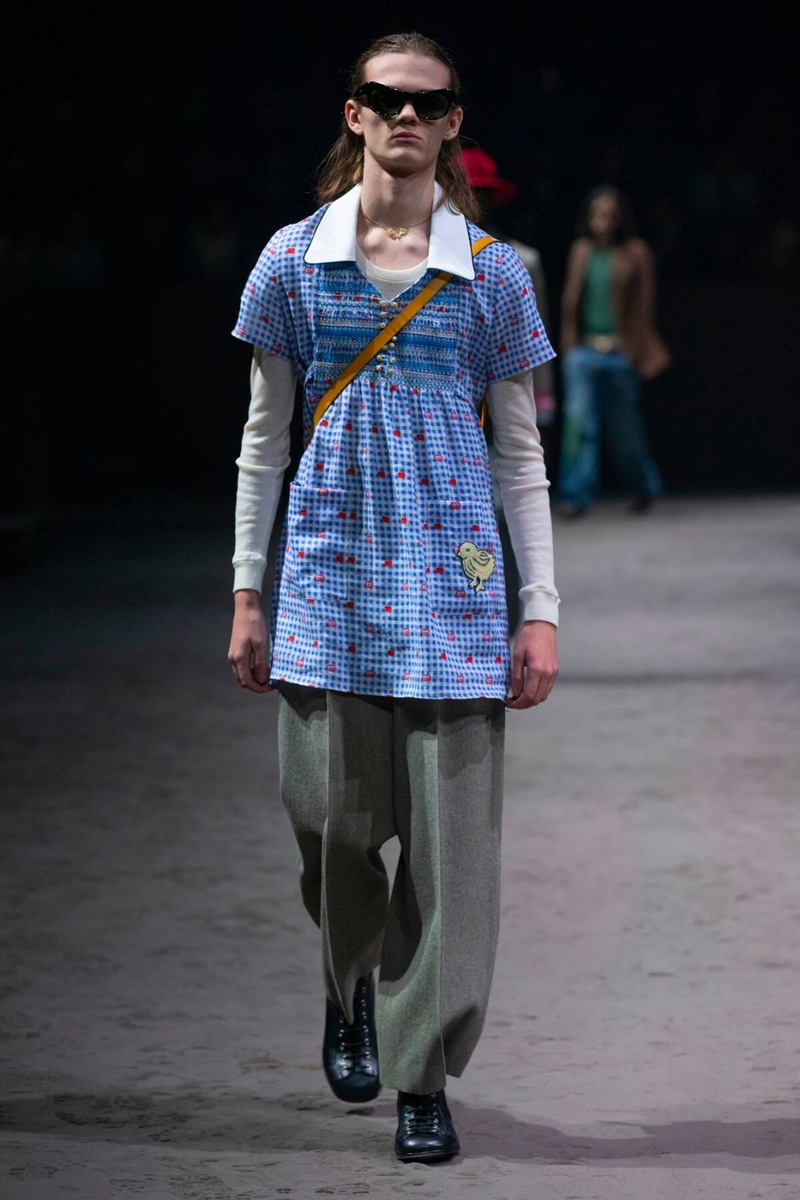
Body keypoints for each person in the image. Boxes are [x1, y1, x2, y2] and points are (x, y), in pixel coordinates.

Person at [227, 30, 559, 1165]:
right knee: (329, 827)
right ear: (354, 114)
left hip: (455, 592)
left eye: (428, 102)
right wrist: (247, 591)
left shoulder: (493, 275)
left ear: (454, 121)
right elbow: (263, 442)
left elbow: (519, 453)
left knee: (450, 858)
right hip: (327, 584)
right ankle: (351, 984)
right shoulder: (290, 262)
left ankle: (421, 1076)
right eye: (384, 97)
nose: (404, 115)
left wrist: (539, 607)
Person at [462, 145, 557, 631]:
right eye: (470, 191)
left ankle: (507, 624)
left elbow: (536, 338)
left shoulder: (520, 260)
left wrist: (544, 398)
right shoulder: (425, 257)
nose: (475, 201)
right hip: (455, 406)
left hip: (505, 399)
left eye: (483, 193)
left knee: (505, 512)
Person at [555, 184, 671, 517]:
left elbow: (645, 304)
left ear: (621, 219)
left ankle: (643, 486)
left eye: (609, 215)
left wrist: (633, 350)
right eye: (597, 214)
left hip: (620, 351)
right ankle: (574, 495)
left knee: (625, 429)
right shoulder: (581, 250)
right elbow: (570, 301)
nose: (603, 221)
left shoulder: (635, 252)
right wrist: (569, 344)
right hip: (584, 351)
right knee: (579, 424)